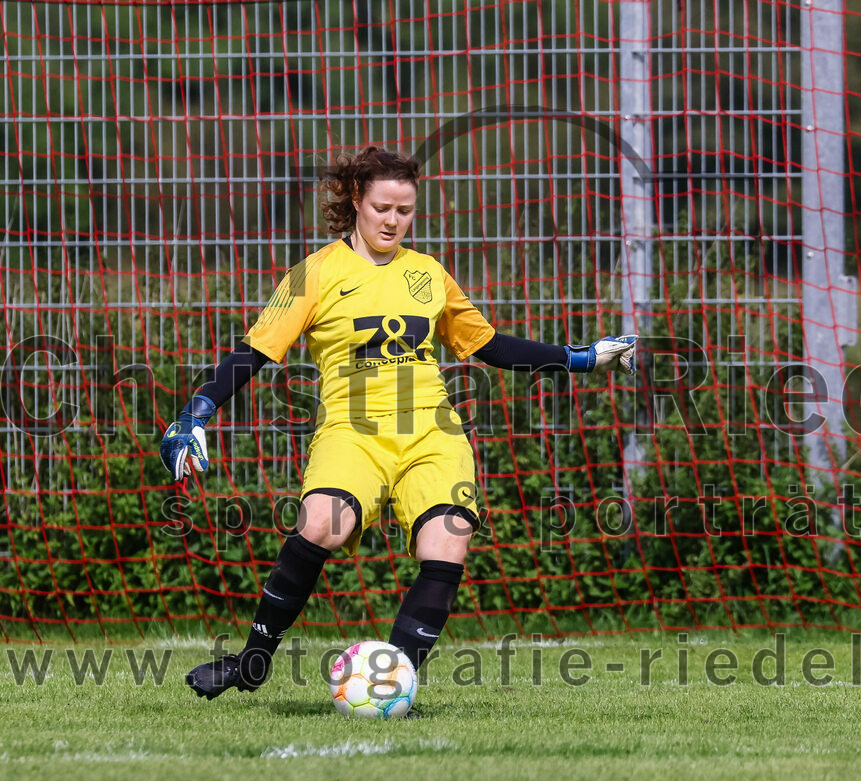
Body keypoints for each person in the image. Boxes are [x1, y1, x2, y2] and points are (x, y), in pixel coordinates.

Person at [160, 146, 637, 702]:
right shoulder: (313, 273)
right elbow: (254, 351)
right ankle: (252, 662)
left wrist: (580, 357)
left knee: (447, 544)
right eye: (383, 207)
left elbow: (490, 346)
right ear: (356, 202)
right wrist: (197, 411)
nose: (393, 220)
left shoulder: (429, 274)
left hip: (431, 434)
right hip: (351, 431)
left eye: (405, 210)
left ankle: (394, 684)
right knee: (319, 525)